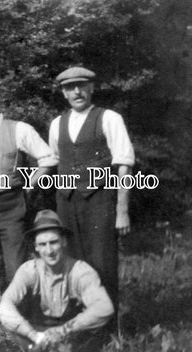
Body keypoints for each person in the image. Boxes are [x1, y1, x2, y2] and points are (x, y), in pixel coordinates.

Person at [48, 67, 135, 307]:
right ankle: (78, 323)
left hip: (99, 201)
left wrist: (122, 210)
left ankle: (105, 329)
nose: (77, 92)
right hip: (66, 202)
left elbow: (124, 165)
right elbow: (54, 161)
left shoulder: (109, 118)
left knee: (102, 264)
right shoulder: (56, 124)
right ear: (64, 93)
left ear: (91, 88)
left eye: (82, 85)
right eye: (70, 87)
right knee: (71, 263)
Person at [0, 78, 58, 287]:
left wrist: (28, 185)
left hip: (11, 206)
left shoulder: (20, 129)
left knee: (16, 266)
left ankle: (20, 312)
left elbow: (48, 158)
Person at [0, 209, 114, 351]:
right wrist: (33, 335)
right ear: (36, 247)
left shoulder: (80, 271)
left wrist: (62, 331)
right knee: (8, 334)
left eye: (53, 242)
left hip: (71, 336)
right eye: (42, 244)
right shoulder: (29, 270)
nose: (49, 251)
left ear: (64, 241)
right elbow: (4, 306)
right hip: (36, 334)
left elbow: (105, 307)